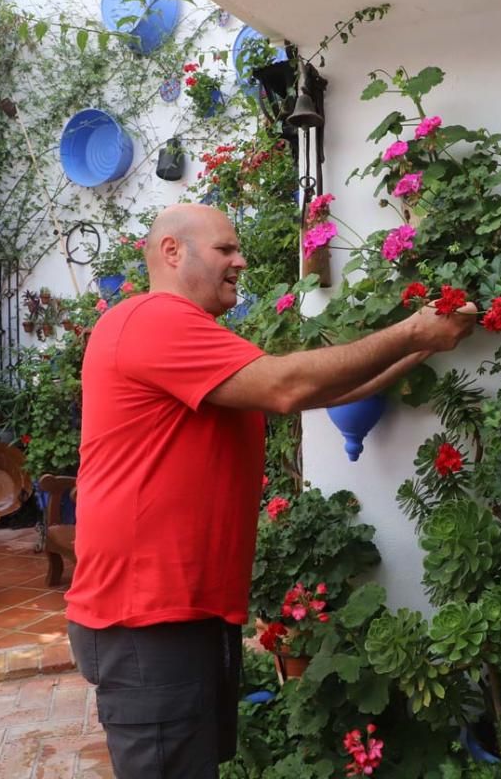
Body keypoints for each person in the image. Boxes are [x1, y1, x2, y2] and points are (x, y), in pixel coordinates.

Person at [65, 203, 476, 778]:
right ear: (171, 251)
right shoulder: (153, 319)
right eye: (225, 249)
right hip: (147, 618)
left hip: (183, 609)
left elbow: (318, 394)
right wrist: (411, 329)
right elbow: (287, 385)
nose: (241, 259)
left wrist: (423, 346)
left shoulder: (192, 338)